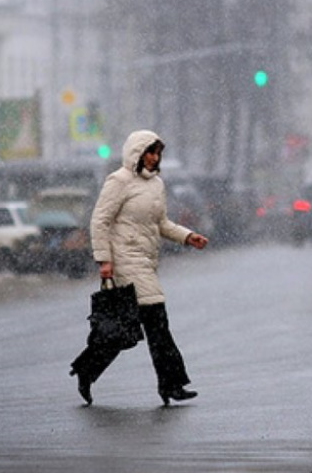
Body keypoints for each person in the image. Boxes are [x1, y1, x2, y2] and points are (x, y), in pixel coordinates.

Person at [70, 129, 209, 406]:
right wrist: (105, 261)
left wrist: (187, 236)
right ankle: (172, 384)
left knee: (122, 331)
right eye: (150, 152)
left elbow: (161, 224)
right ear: (137, 153)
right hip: (125, 262)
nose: (154, 158)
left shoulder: (156, 185)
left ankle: (87, 369)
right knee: (158, 323)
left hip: (146, 260)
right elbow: (100, 221)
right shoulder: (118, 181)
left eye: (157, 153)